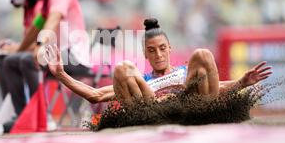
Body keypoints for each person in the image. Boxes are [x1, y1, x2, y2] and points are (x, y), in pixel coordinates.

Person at [44, 18, 272, 106]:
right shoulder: (140, 80)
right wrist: (61, 74)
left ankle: (206, 110)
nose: (159, 55)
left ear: (170, 49)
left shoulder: (185, 74)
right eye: (152, 51)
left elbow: (220, 87)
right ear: (146, 54)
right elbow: (95, 95)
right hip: (152, 109)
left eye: (163, 49)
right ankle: (152, 111)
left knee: (202, 54)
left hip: (195, 108)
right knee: (123, 68)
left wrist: (243, 81)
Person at [0, 0, 88, 131]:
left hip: (74, 56)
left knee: (28, 59)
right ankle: (24, 116)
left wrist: (40, 45)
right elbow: (36, 27)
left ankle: (43, 117)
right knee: (10, 61)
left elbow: (53, 20)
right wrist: (19, 48)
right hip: (59, 54)